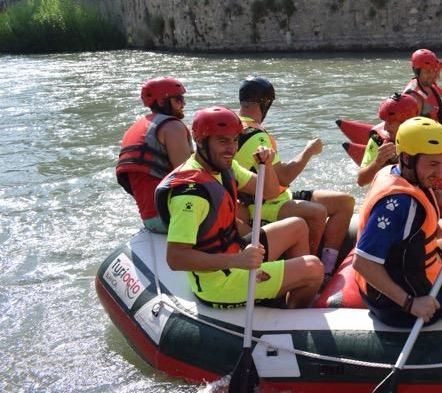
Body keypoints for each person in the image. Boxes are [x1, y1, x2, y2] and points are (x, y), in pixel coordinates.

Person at [157, 106, 323, 309]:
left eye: (235, 140)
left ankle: (290, 286)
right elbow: (176, 258)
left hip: (235, 253)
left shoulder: (226, 167)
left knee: (298, 226)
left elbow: (271, 191)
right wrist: (237, 261)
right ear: (200, 141)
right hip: (219, 283)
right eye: (222, 141)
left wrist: (267, 165)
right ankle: (292, 312)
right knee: (314, 268)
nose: (231, 149)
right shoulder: (190, 194)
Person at [353, 117, 442, 327]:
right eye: (432, 164)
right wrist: (410, 303)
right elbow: (363, 263)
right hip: (403, 305)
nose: (440, 172)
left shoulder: (394, 174)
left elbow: (417, 234)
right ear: (408, 158)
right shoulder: (400, 203)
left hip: (399, 280)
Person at [234, 76, 355, 279]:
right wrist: (308, 151)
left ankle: (327, 268)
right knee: (316, 212)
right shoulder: (256, 135)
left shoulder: (237, 126)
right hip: (260, 203)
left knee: (344, 202)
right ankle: (312, 274)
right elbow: (284, 178)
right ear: (266, 104)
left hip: (278, 197)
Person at [358, 93, 442, 217]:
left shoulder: (424, 131)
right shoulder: (377, 140)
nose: (385, 127)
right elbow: (361, 181)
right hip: (392, 192)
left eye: (391, 122)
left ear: (407, 122)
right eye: (385, 121)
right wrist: (377, 162)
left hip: (418, 187)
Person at [116, 77, 193, 233]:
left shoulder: (137, 126)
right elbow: (189, 176)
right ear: (162, 102)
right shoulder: (172, 126)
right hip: (172, 217)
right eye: (179, 99)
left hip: (149, 219)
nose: (183, 104)